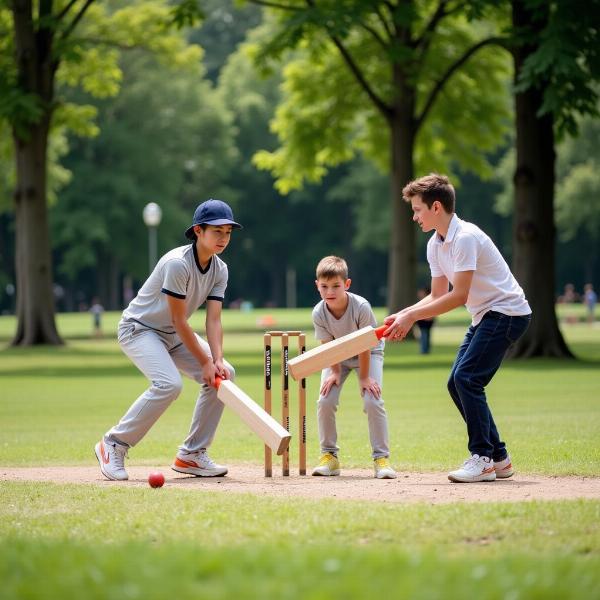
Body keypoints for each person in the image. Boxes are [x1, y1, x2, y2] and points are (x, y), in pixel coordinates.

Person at [384, 174, 531, 483]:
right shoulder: (434, 244)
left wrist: (410, 319)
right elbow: (438, 295)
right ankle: (499, 458)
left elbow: (458, 296)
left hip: (507, 313)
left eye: (417, 210)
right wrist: (404, 313)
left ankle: (483, 459)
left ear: (436, 207)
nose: (414, 216)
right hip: (485, 316)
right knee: (456, 382)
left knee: (467, 379)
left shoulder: (465, 237)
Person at [94, 199, 242, 481]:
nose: (223, 238)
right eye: (217, 231)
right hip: (140, 329)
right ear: (198, 231)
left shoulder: (220, 269)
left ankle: (192, 455)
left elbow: (213, 319)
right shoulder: (177, 264)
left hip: (173, 335)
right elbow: (179, 319)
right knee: (169, 384)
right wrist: (205, 361)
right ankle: (113, 443)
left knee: (226, 375)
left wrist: (217, 360)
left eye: (228, 232)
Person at [310, 256, 396, 479]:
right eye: (324, 286)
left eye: (336, 286)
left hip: (368, 353)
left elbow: (366, 344)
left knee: (372, 400)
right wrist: (336, 372)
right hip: (337, 356)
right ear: (317, 286)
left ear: (347, 285)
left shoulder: (361, 307)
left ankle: (381, 459)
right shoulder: (319, 313)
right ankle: (329, 457)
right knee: (325, 400)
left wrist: (364, 378)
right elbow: (328, 347)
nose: (330, 291)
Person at [415, 287, 435, 354]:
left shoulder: (427, 301)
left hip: (425, 323)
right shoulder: (422, 301)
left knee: (424, 336)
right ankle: (425, 350)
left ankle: (424, 351)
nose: (419, 294)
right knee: (425, 336)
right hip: (422, 323)